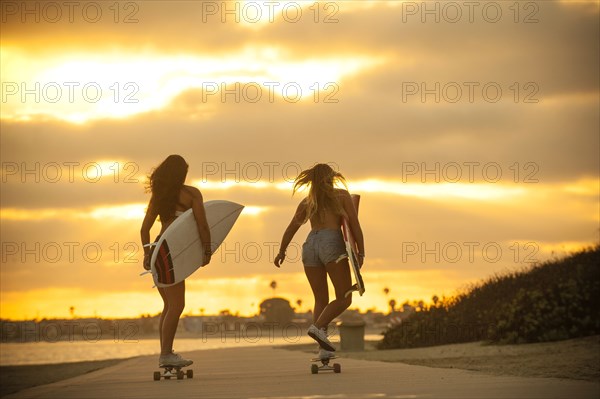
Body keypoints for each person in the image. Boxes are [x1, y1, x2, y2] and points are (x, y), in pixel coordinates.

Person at [274, 163, 365, 359]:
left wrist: (281, 251)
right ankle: (317, 328)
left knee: (320, 299)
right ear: (332, 178)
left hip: (310, 245)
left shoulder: (307, 202)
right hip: (330, 242)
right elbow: (354, 225)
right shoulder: (341, 196)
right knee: (344, 297)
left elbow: (291, 228)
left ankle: (323, 349)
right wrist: (361, 252)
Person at [140, 155, 212, 367]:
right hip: (173, 253)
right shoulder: (191, 194)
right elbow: (203, 225)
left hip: (157, 251)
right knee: (177, 305)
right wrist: (207, 251)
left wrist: (146, 254)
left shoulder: (158, 197)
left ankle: (166, 353)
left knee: (169, 305)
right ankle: (165, 355)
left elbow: (144, 229)